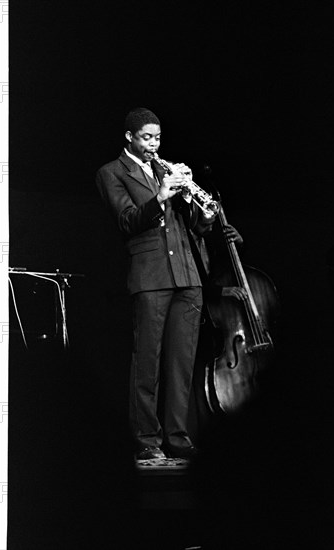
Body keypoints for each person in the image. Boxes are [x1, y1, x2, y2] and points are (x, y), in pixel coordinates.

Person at [96, 107, 219, 460]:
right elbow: (127, 220)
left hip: (186, 276)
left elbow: (192, 226)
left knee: (182, 365)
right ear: (129, 138)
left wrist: (201, 210)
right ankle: (147, 441)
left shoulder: (167, 170)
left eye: (158, 138)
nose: (153, 144)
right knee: (147, 363)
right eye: (146, 138)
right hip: (150, 276)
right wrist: (161, 195)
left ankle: (179, 439)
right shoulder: (111, 173)